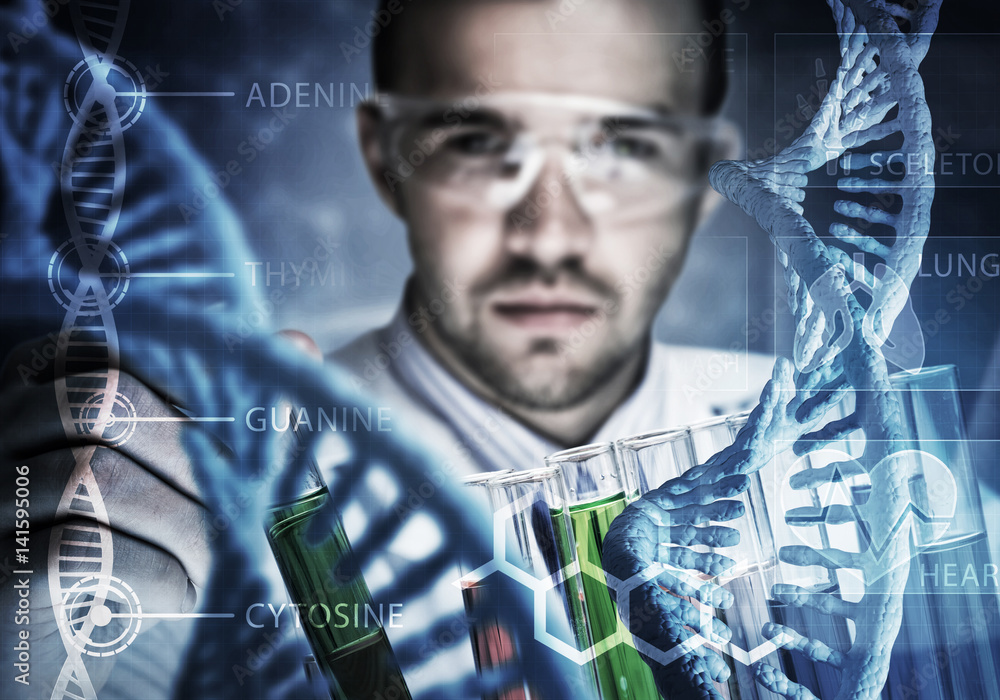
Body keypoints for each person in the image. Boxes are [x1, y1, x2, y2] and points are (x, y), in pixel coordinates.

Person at [0, 0, 772, 697]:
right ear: (384, 157)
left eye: (622, 143)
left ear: (711, 173)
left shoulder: (845, 461)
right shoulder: (210, 491)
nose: (549, 235)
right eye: (477, 139)